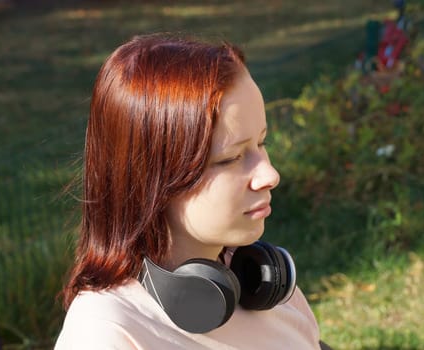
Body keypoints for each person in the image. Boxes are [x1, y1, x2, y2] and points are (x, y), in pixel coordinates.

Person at [55, 33, 327, 349]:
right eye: (231, 158)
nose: (270, 175)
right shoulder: (106, 333)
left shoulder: (272, 292)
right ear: (153, 181)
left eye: (261, 143)